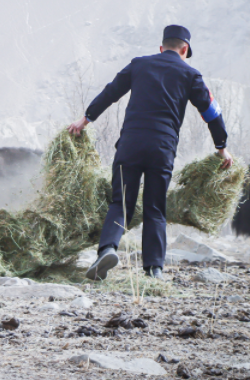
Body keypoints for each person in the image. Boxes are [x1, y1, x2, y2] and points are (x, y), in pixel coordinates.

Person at [69, 25, 232, 282]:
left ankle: (108, 249)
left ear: (161, 47)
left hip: (130, 144)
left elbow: (110, 92)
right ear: (185, 49)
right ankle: (154, 269)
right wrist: (221, 147)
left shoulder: (139, 64)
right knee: (155, 208)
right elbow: (211, 112)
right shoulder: (191, 74)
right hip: (162, 149)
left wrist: (85, 119)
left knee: (120, 202)